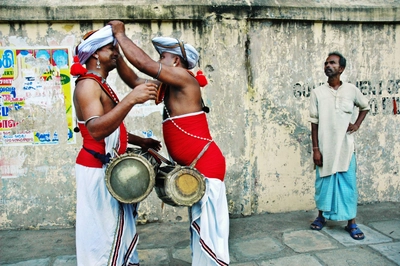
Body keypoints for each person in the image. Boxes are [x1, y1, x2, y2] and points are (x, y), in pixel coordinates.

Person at [108, 20, 230, 266]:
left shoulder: (184, 78)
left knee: (209, 232)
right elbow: (134, 79)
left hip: (207, 165)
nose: (159, 62)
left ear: (175, 61)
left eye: (162, 57)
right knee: (200, 230)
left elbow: (144, 64)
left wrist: (120, 34)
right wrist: (117, 53)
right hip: (196, 166)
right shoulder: (171, 85)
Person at [71, 25, 161, 265]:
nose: (115, 53)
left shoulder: (98, 83)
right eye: (110, 49)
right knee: (102, 235)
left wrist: (140, 141)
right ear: (94, 55)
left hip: (107, 170)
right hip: (96, 169)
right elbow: (96, 129)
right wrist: (131, 99)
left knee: (114, 230)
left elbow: (112, 125)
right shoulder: (87, 85)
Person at [309, 51, 370, 240]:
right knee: (323, 184)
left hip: (345, 148)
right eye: (326, 63)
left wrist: (357, 124)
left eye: (333, 63)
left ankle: (351, 223)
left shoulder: (351, 90)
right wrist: (316, 149)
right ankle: (321, 217)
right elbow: (314, 122)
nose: (328, 65)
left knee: (348, 184)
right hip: (325, 149)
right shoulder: (317, 93)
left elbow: (365, 106)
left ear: (341, 68)